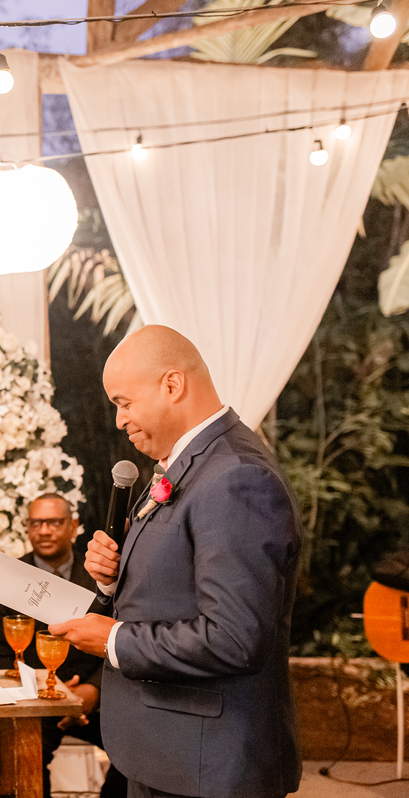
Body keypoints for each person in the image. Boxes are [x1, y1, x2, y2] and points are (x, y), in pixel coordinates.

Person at [50, 325, 302, 798]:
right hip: (170, 752)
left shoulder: (237, 476)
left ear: (172, 385)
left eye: (124, 402)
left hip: (209, 762)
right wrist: (112, 579)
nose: (120, 420)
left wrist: (114, 639)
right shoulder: (184, 466)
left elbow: (234, 638)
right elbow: (168, 589)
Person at [0, 493, 126, 798]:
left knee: (139, 754)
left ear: (73, 526)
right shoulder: (6, 580)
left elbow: (123, 637)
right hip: (34, 704)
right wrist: (46, 694)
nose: (44, 531)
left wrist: (92, 691)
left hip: (95, 700)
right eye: (36, 523)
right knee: (17, 765)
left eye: (54, 522)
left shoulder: (102, 575)